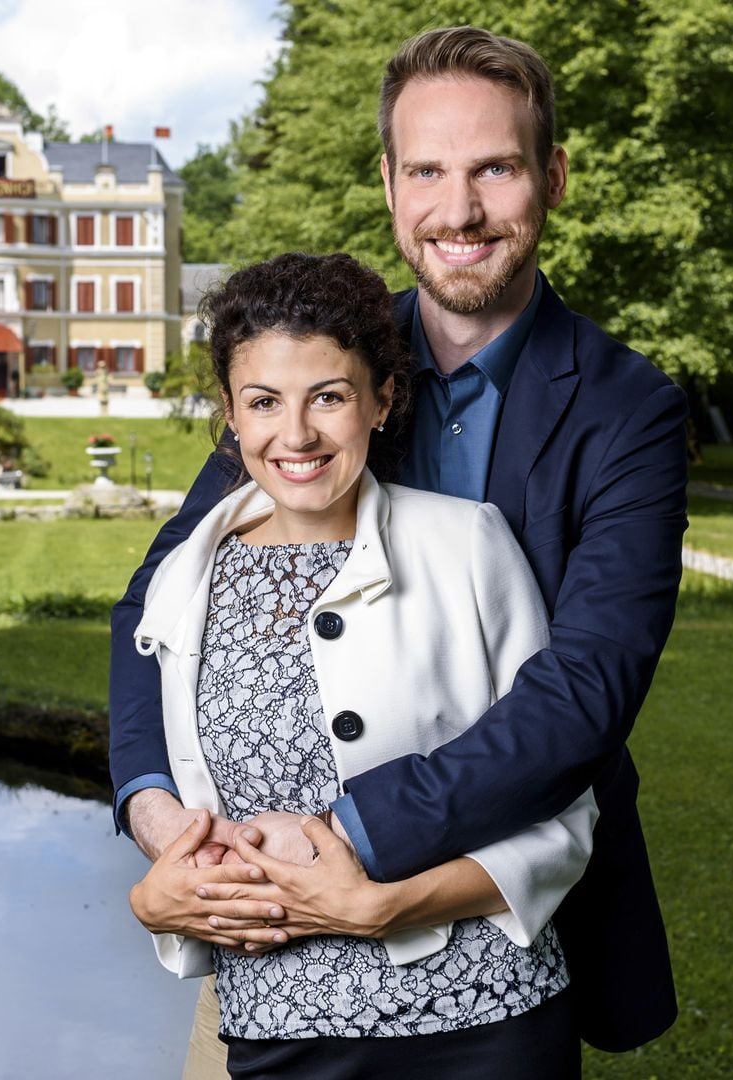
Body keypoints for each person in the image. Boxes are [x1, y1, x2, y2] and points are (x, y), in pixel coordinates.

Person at [112, 24, 688, 1076]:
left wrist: (356, 841)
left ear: (552, 176)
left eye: (495, 168)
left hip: (495, 936)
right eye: (426, 169)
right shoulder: (315, 367)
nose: (458, 209)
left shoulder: (627, 408)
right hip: (270, 941)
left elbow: (586, 690)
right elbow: (152, 604)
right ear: (388, 183)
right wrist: (160, 827)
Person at [127, 251, 598, 1077]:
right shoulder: (182, 583)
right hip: (278, 1027)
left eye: (330, 397)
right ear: (231, 417)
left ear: (383, 400)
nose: (297, 434)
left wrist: (386, 907)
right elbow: (188, 831)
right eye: (264, 401)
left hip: (485, 1024)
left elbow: (561, 815)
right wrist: (157, 899)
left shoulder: (469, 547)